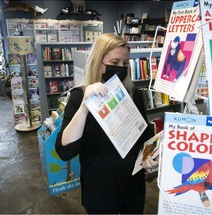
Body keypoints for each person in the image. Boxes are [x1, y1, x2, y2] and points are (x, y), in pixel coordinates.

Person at [55, 33, 158, 214]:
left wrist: (149, 156)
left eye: (125, 64)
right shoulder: (79, 96)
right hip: (99, 191)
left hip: (133, 186)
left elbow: (145, 136)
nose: (121, 67)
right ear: (98, 62)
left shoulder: (133, 94)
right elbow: (65, 151)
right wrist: (85, 108)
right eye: (115, 62)